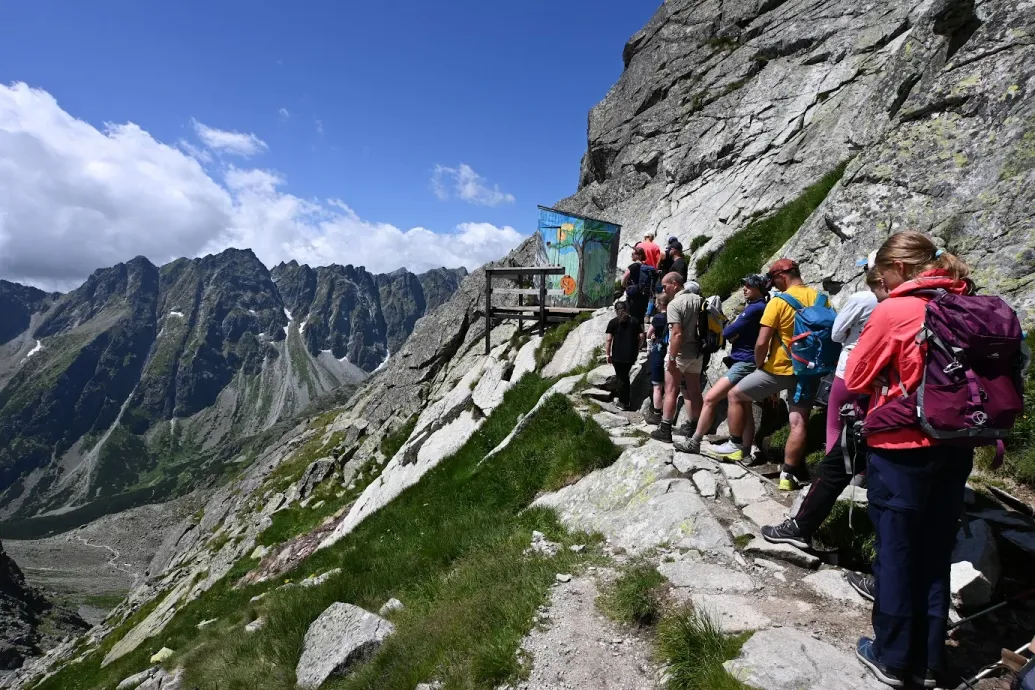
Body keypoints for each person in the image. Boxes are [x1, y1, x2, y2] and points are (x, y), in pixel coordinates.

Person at [847, 233, 978, 689]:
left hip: (903, 448)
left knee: (898, 552)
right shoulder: (969, 300)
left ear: (900, 269)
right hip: (958, 445)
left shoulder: (897, 309)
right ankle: (930, 659)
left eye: (882, 276)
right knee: (934, 550)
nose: (880, 284)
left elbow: (857, 376)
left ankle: (893, 656)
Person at [761, 265, 889, 555]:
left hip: (846, 370)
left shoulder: (865, 299)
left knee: (837, 430)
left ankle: (826, 495)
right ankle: (858, 478)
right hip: (879, 381)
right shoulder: (820, 298)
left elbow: (836, 334)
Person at [708, 258, 818, 491]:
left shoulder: (778, 303)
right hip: (809, 370)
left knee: (736, 395)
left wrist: (760, 366)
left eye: (773, 279)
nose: (772, 285)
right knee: (798, 423)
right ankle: (788, 476)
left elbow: (762, 342)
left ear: (782, 276)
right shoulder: (820, 298)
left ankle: (736, 444)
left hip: (780, 368)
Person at [676, 274, 768, 453]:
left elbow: (729, 332)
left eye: (749, 285)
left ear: (759, 288)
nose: (744, 288)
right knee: (746, 406)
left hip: (743, 362)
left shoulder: (754, 309)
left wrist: (722, 321)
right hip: (749, 361)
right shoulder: (761, 307)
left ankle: (694, 442)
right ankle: (746, 450)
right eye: (744, 285)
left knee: (711, 397)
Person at [826, 263, 888, 454]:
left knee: (835, 423)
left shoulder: (862, 298)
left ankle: (832, 474)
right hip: (881, 370)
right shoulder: (899, 299)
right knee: (868, 422)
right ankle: (862, 472)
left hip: (850, 367)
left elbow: (835, 335)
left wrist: (849, 337)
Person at [650, 272, 704, 443]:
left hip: (679, 353)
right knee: (695, 390)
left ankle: (665, 429)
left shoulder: (675, 304)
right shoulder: (700, 300)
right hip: (697, 353)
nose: (664, 290)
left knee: (671, 390)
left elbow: (677, 334)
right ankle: (696, 428)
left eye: (665, 286)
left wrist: (672, 358)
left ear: (675, 284)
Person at [605, 300, 644, 411]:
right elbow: (641, 336)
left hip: (617, 355)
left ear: (616, 310)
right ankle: (624, 400)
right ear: (626, 309)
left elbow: (608, 339)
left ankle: (623, 402)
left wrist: (607, 354)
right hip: (631, 355)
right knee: (624, 376)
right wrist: (637, 347)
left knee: (621, 378)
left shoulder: (613, 322)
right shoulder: (635, 321)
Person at [645, 293, 671, 424]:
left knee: (657, 385)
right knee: (670, 387)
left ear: (660, 304)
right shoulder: (674, 315)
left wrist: (649, 347)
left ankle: (657, 414)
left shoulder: (657, 318)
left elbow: (649, 334)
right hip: (672, 350)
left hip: (659, 351)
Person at [622, 247, 652, 323]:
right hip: (644, 295)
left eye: (633, 254)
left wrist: (627, 287)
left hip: (633, 295)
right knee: (641, 318)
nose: (631, 255)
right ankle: (641, 333)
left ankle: (632, 333)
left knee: (632, 316)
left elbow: (623, 281)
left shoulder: (632, 266)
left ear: (639, 255)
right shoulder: (646, 267)